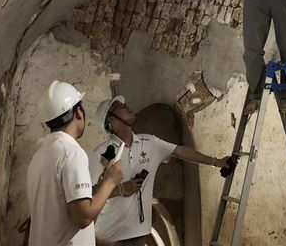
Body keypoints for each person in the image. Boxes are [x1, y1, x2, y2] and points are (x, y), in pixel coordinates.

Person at [88, 96, 232, 246]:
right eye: (119, 106)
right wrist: (121, 189)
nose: (126, 106)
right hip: (108, 237)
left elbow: (180, 151)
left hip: (138, 234)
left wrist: (216, 162)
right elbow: (90, 194)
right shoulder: (100, 153)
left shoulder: (149, 142)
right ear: (111, 120)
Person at [26, 81, 123, 246]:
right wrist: (110, 181)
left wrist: (98, 189)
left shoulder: (40, 153)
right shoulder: (71, 152)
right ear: (78, 112)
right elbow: (83, 217)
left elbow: (60, 211)